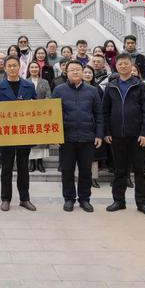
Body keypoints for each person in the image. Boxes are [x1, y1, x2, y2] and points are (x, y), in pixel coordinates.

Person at [102, 53, 145, 217]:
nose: (123, 66)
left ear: (131, 66)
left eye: (126, 64)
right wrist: (107, 131)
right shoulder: (111, 86)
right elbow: (105, 111)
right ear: (116, 66)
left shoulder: (141, 86)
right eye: (120, 64)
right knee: (120, 170)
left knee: (140, 171)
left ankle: (142, 202)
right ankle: (119, 200)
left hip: (137, 136)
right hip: (117, 135)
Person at [52, 61, 103, 213]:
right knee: (67, 170)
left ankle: (84, 199)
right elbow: (53, 113)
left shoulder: (92, 91)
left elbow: (99, 114)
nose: (75, 72)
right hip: (66, 138)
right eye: (72, 70)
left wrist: (99, 134)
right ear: (66, 72)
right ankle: (69, 198)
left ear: (83, 72)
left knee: (86, 171)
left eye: (78, 69)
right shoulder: (59, 90)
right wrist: (55, 135)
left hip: (87, 137)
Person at [0, 55, 38, 211]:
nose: (11, 68)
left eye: (14, 65)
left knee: (24, 167)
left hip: (24, 133)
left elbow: (37, 109)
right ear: (5, 67)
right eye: (9, 65)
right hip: (6, 134)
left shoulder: (29, 86)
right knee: (7, 168)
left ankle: (25, 199)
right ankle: (6, 199)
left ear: (20, 67)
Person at [83, 65, 107, 188]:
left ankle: (93, 178)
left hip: (93, 125)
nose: (87, 74)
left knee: (94, 155)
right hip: (81, 125)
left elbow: (101, 109)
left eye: (89, 73)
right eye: (85, 72)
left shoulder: (98, 89)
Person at [26, 61, 51, 173]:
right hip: (28, 115)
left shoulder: (45, 82)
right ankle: (31, 162)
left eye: (36, 67)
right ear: (29, 69)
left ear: (39, 69)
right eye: (32, 67)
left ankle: (40, 162)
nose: (34, 69)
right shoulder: (24, 82)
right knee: (31, 139)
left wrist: (40, 105)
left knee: (42, 139)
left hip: (42, 114)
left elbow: (48, 97)